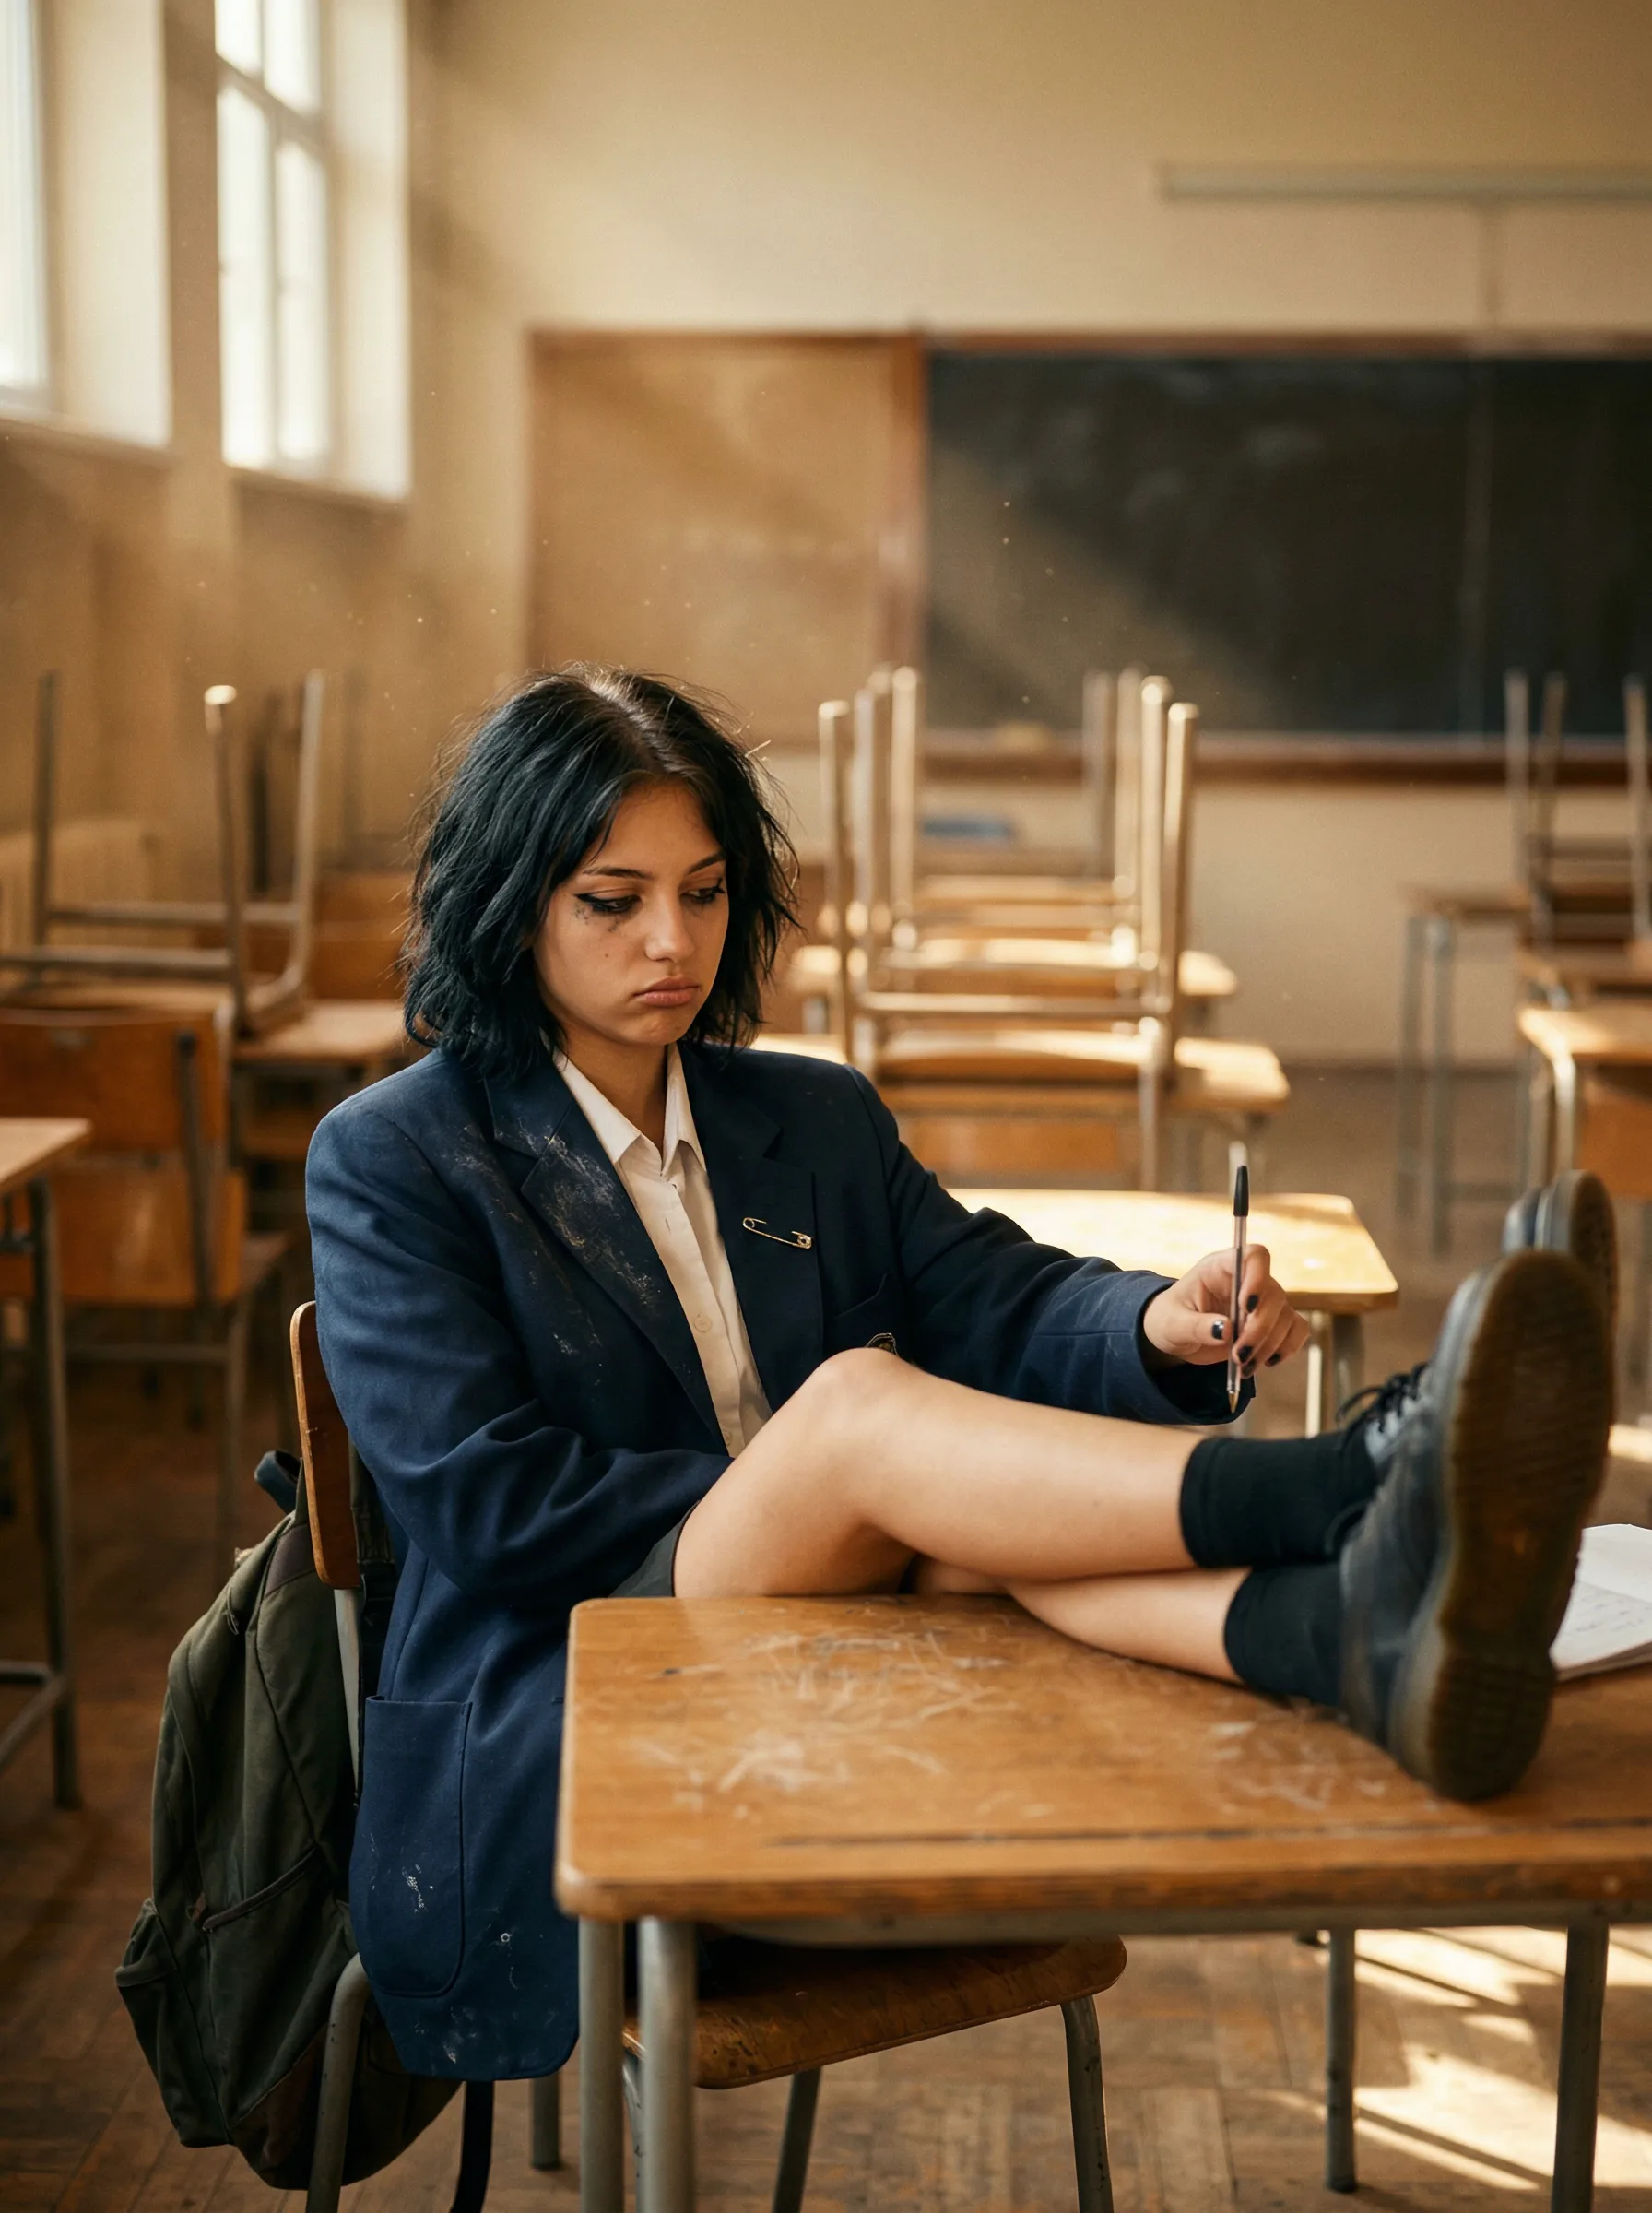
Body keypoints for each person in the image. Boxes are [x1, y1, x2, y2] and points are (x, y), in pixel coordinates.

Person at [306, 668, 1611, 2085]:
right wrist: (834, 1500)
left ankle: (1354, 1640)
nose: (670, 940)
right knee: (865, 1418)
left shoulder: (810, 1113)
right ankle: (1362, 1481)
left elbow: (1000, 1297)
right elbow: (493, 1509)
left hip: (818, 1688)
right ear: (512, 904)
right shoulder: (395, 1156)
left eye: (705, 890)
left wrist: (1158, 1323)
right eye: (611, 900)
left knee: (976, 1523)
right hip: (566, 1722)